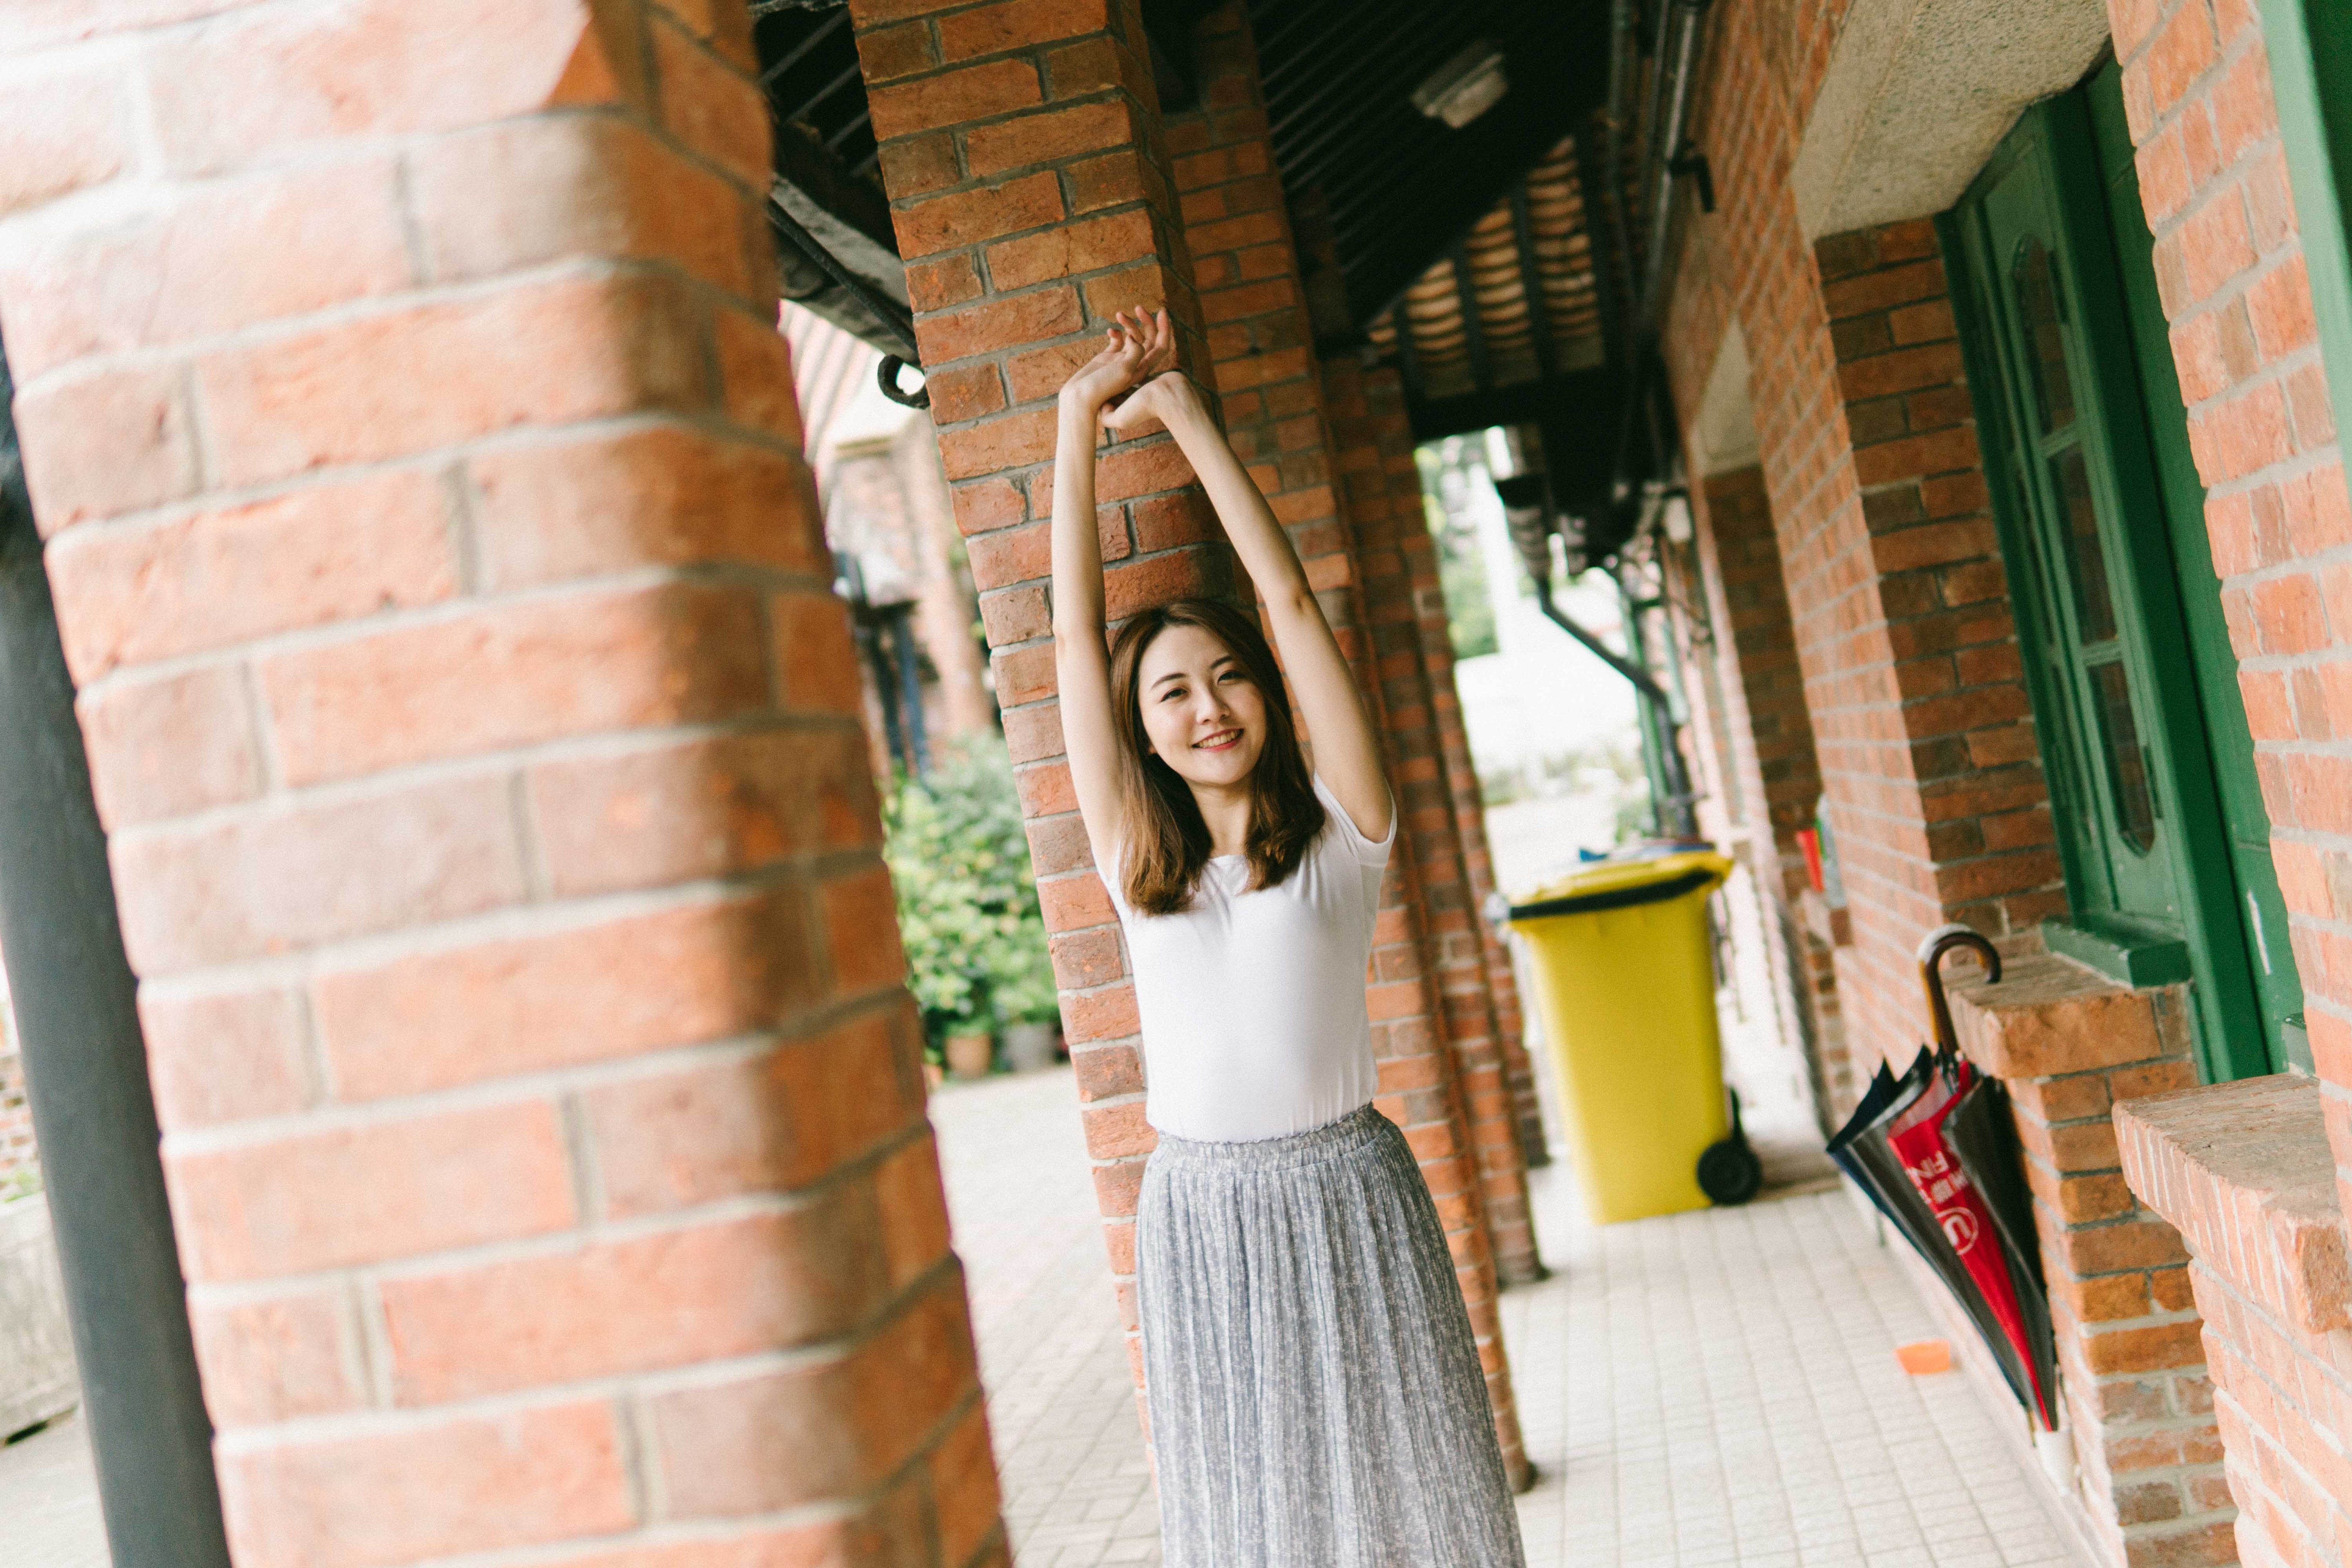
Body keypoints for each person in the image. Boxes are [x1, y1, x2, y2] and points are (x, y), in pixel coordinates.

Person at [1051, 307, 1528, 1568]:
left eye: (1230, 678)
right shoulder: (1131, 861)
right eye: (1172, 692)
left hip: (1350, 1190)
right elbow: (1065, 651)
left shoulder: (1339, 831)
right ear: (1140, 729)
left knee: (1418, 1499)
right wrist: (1072, 431)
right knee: (1258, 1519)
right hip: (1199, 1212)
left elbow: (1297, 604)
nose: (1207, 708)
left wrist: (1185, 416)